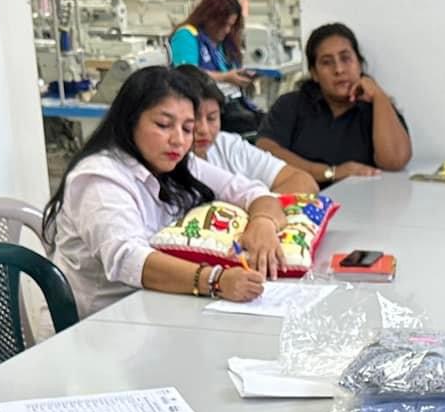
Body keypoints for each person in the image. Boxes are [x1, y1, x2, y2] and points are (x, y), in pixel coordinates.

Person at [45, 66, 288, 317]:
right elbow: (128, 259)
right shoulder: (99, 178)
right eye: (164, 125)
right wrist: (215, 280)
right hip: (98, 323)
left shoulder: (180, 164)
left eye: (187, 128)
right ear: (130, 121)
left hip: (159, 307)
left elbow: (252, 191)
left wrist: (262, 223)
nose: (179, 140)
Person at [257, 22, 413, 186]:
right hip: (301, 198)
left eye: (346, 59)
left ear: (359, 64)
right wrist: (330, 172)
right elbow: (265, 152)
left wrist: (379, 96)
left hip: (364, 199)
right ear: (314, 73)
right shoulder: (291, 105)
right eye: (327, 62)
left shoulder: (376, 108)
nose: (339, 69)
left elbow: (395, 162)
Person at [174, 64, 318, 197]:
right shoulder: (167, 168)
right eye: (193, 119)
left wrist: (260, 209)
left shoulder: (226, 146)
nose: (204, 130)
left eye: (212, 118)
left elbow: (304, 182)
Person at [169, 0, 257, 92]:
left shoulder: (226, 43)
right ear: (208, 17)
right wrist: (224, 77)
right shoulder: (186, 35)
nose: (227, 30)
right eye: (222, 24)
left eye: (231, 25)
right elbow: (187, 73)